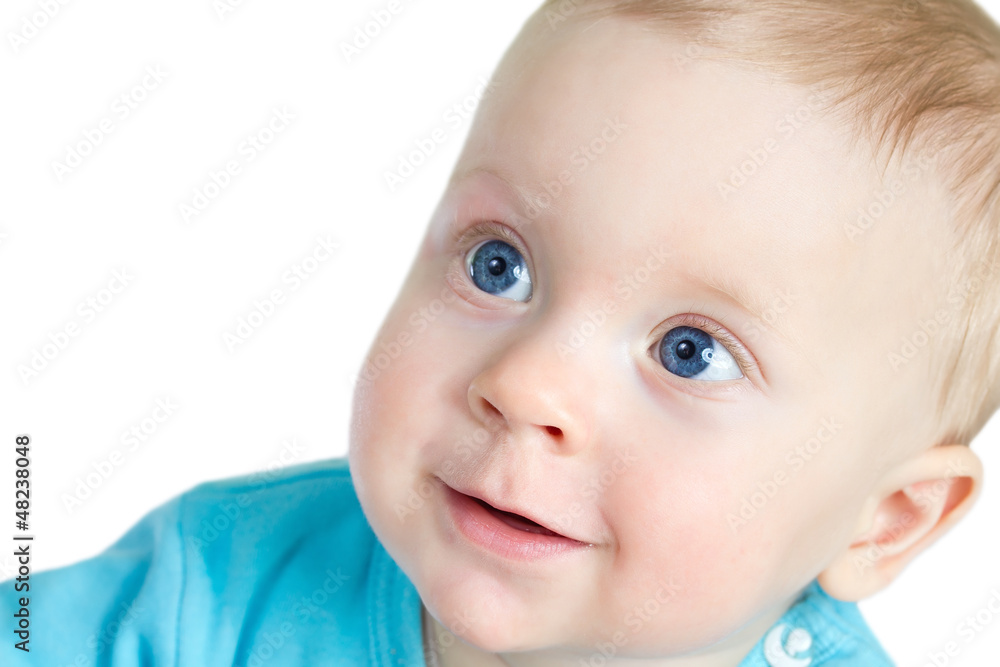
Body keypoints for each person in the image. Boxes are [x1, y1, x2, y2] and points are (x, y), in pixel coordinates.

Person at [5, 1, 999, 665]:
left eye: (688, 350)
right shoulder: (211, 588)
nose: (527, 385)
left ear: (886, 519)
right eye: (498, 265)